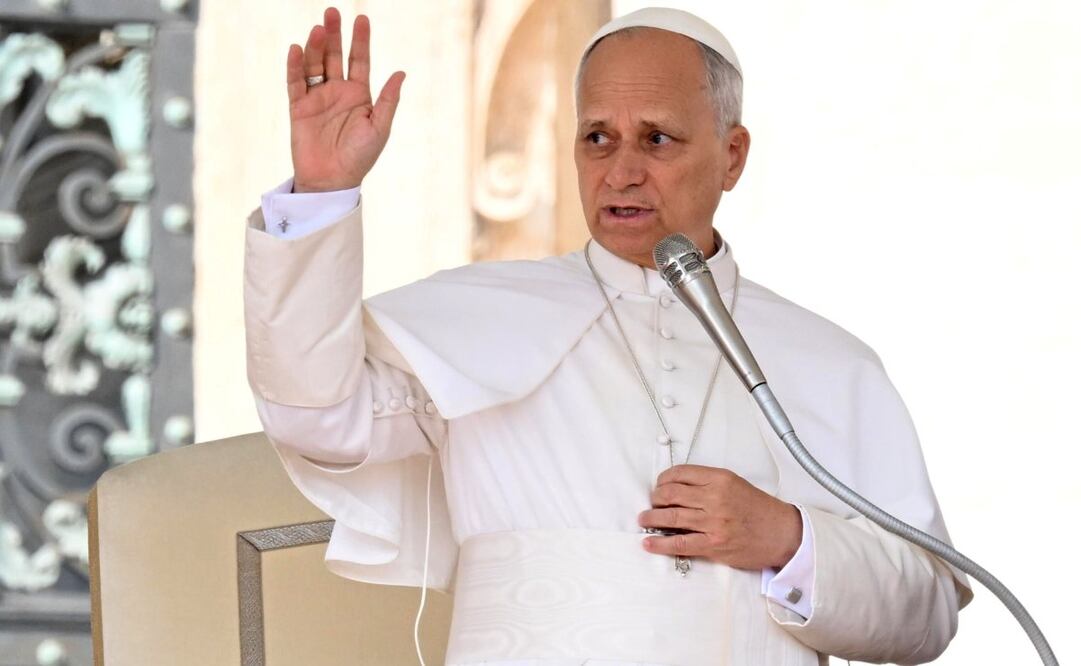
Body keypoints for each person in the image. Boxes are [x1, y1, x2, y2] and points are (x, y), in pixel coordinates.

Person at [243, 6, 972, 665]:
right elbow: (317, 418)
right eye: (598, 138)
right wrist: (321, 195)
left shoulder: (828, 361)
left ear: (732, 155)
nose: (621, 171)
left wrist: (786, 537)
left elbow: (925, 615)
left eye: (656, 139)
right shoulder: (482, 316)